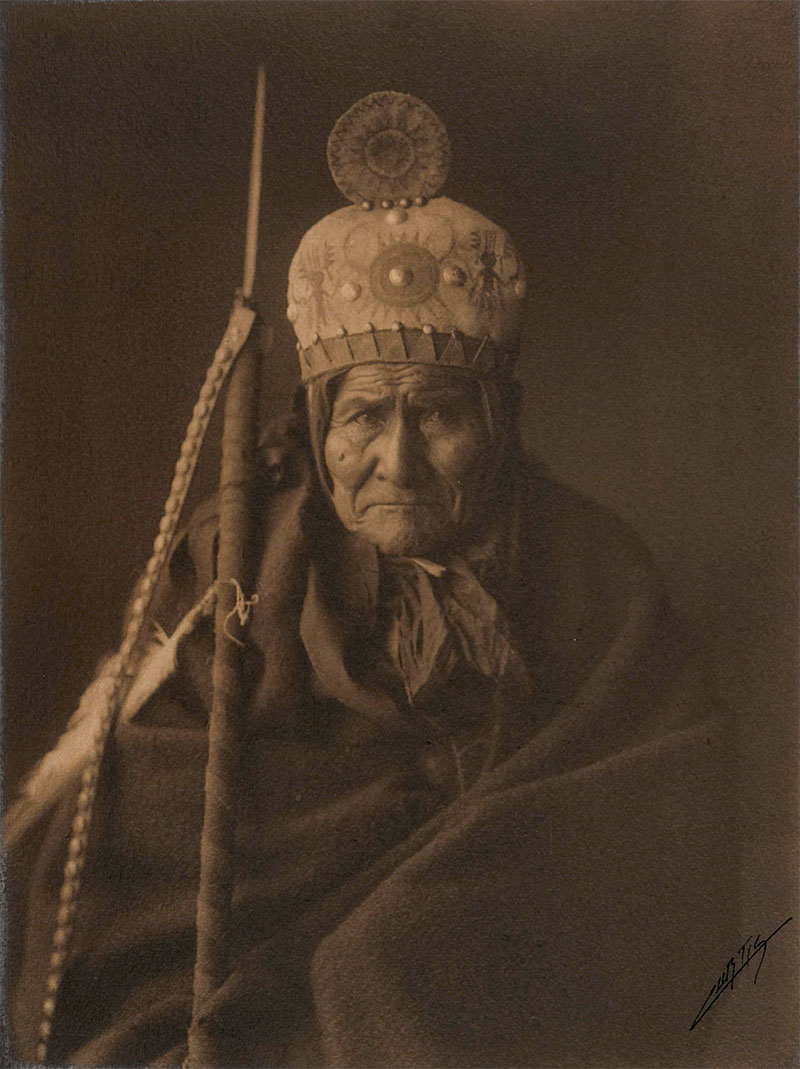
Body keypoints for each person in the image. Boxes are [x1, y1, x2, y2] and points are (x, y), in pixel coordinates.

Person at [8, 92, 732, 1068]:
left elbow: (653, 798)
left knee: (380, 960)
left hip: (486, 959)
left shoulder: (590, 568)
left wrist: (438, 880)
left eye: (434, 415)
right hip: (256, 961)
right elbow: (143, 808)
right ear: (317, 427)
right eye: (360, 419)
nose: (394, 458)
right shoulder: (248, 564)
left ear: (497, 423)